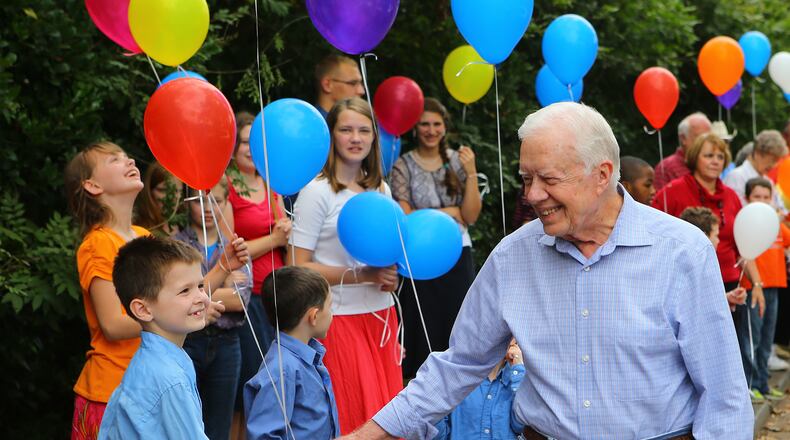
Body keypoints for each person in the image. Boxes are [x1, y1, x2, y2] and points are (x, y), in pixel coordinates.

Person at [344, 102, 753, 440]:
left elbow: (723, 396)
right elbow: (459, 364)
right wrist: (372, 434)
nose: (533, 195)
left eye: (549, 179)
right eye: (526, 178)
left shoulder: (681, 252)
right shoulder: (513, 257)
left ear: (602, 175)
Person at [289, 97, 402, 434]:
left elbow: (386, 249)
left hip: (382, 319)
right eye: (346, 129)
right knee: (355, 416)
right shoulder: (317, 191)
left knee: (391, 415)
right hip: (338, 322)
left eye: (364, 130)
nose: (356, 138)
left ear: (374, 138)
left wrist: (389, 276)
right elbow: (297, 265)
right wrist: (359, 276)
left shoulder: (381, 189)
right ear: (332, 136)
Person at [98, 235, 247, 439]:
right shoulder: (168, 379)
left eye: (200, 286)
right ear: (143, 309)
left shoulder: (158, 362)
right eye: (185, 291)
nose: (202, 298)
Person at [64, 142, 152, 439]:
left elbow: (177, 298)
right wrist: (169, 318)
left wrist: (222, 269)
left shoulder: (144, 237)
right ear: (92, 185)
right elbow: (113, 325)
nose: (129, 161)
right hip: (110, 393)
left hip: (148, 386)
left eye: (127, 156)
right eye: (115, 159)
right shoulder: (97, 244)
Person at [390, 97, 482, 378]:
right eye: (424, 124)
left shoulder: (458, 161)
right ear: (415, 128)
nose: (431, 130)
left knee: (455, 324)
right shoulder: (402, 166)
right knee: (422, 325)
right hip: (419, 257)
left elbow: (471, 215)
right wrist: (450, 211)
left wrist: (470, 172)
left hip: (457, 254)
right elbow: (406, 216)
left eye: (436, 124)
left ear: (445, 127)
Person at [227, 111, 292, 438]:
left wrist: (287, 233)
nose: (250, 149)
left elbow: (285, 240)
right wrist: (274, 239)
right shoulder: (227, 186)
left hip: (279, 293)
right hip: (248, 297)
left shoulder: (272, 182)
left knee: (277, 382)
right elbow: (228, 253)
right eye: (243, 142)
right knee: (250, 383)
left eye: (255, 142)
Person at [652, 133, 765, 314]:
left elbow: (743, 248)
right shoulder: (673, 191)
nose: (715, 161)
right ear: (695, 157)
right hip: (689, 286)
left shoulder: (731, 196)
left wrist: (757, 284)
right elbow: (655, 235)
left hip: (730, 283)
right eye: (708, 156)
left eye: (720, 157)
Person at [174, 181, 253, 440]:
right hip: (188, 342)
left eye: (216, 201)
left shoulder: (235, 247)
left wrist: (196, 290)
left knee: (220, 425)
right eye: (199, 201)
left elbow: (239, 301)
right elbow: (175, 299)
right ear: (187, 204)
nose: (208, 208)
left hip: (227, 344)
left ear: (226, 203)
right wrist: (224, 280)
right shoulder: (175, 247)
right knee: (184, 421)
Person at [244, 266, 340, 439]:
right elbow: (264, 434)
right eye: (330, 307)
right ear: (314, 316)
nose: (332, 314)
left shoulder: (308, 355)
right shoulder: (282, 370)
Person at [739, 177, 790, 401]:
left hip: (776, 285)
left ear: (772, 199)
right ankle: (750, 384)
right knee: (753, 337)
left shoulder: (776, 224)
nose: (761, 201)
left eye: (766, 197)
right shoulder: (745, 222)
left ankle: (763, 383)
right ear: (747, 199)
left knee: (767, 337)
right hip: (752, 288)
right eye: (756, 197)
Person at [433, 339, 525, 440]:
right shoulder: (458, 377)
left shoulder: (519, 377)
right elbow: (439, 435)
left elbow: (522, 427)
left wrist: (518, 369)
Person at [679, 207, 747, 311]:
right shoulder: (689, 268)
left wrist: (727, 298)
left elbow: (704, 299)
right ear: (703, 236)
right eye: (716, 236)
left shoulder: (701, 263)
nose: (718, 241)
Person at [723, 129, 788, 205]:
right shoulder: (736, 177)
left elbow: (782, 210)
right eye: (773, 160)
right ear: (758, 153)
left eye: (777, 161)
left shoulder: (768, 181)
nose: (774, 165)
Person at [654, 112, 712, 191]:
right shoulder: (666, 168)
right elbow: (659, 202)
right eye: (700, 138)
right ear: (683, 138)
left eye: (710, 138)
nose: (706, 142)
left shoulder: (711, 164)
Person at [135, 162, 184, 237]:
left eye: (178, 191)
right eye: (164, 190)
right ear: (149, 192)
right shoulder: (141, 232)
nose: (173, 197)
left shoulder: (187, 225)